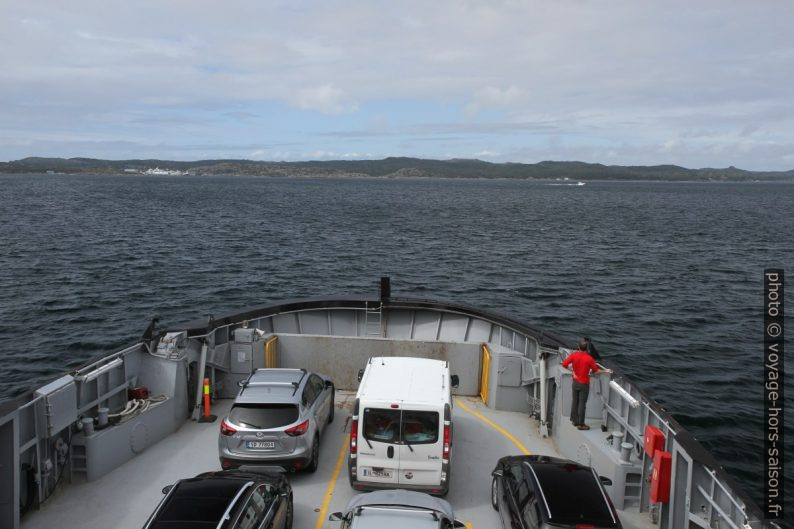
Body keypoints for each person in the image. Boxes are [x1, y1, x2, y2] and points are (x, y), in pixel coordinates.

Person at [561, 339, 611, 430]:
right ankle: (581, 424)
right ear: (586, 349)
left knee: (575, 402)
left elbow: (564, 364)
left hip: (575, 382)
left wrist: (572, 371)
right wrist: (606, 370)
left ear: (578, 347)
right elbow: (596, 371)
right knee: (582, 404)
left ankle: (574, 420)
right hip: (584, 384)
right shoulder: (589, 359)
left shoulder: (574, 355)